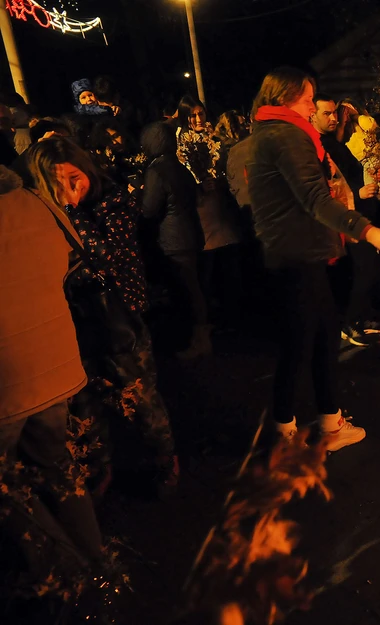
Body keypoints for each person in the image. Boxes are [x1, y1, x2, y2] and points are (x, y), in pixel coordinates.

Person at [247, 67, 380, 447]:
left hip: (295, 251)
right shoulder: (287, 136)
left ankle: (326, 422)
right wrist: (369, 230)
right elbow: (315, 199)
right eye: (305, 99)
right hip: (298, 254)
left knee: (320, 337)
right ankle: (287, 431)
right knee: (302, 342)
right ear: (284, 99)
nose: (311, 105)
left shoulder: (274, 133)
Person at [26, 137, 179, 493]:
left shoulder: (113, 201)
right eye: (56, 184)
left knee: (138, 397)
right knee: (85, 402)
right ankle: (99, 469)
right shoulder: (44, 209)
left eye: (74, 178)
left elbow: (106, 259)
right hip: (76, 319)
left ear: (87, 169)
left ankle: (165, 460)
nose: (69, 190)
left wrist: (72, 212)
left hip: (119, 314)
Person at [0, 164, 105, 616]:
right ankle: (100, 562)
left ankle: (65, 571)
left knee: (5, 483)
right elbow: (75, 257)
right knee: (56, 464)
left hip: (6, 373)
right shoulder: (36, 202)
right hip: (54, 357)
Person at [311, 93, 380, 345]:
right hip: (345, 217)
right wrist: (357, 192)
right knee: (363, 268)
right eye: (327, 113)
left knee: (365, 268)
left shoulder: (331, 142)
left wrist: (373, 174)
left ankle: (362, 316)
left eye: (335, 112)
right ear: (312, 115)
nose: (334, 118)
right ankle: (350, 321)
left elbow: (351, 171)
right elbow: (327, 186)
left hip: (358, 212)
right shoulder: (316, 145)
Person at [177, 96, 244, 340]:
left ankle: (234, 318)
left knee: (230, 268)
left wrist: (220, 180)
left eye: (201, 114)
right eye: (192, 115)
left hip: (222, 210)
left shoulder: (217, 141)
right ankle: (210, 321)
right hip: (201, 214)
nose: (197, 119)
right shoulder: (180, 144)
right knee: (206, 270)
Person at [140, 122, 208, 351]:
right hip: (191, 233)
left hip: (173, 239)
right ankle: (199, 337)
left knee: (186, 291)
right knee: (193, 288)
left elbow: (149, 209)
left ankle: (197, 341)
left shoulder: (156, 169)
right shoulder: (180, 167)